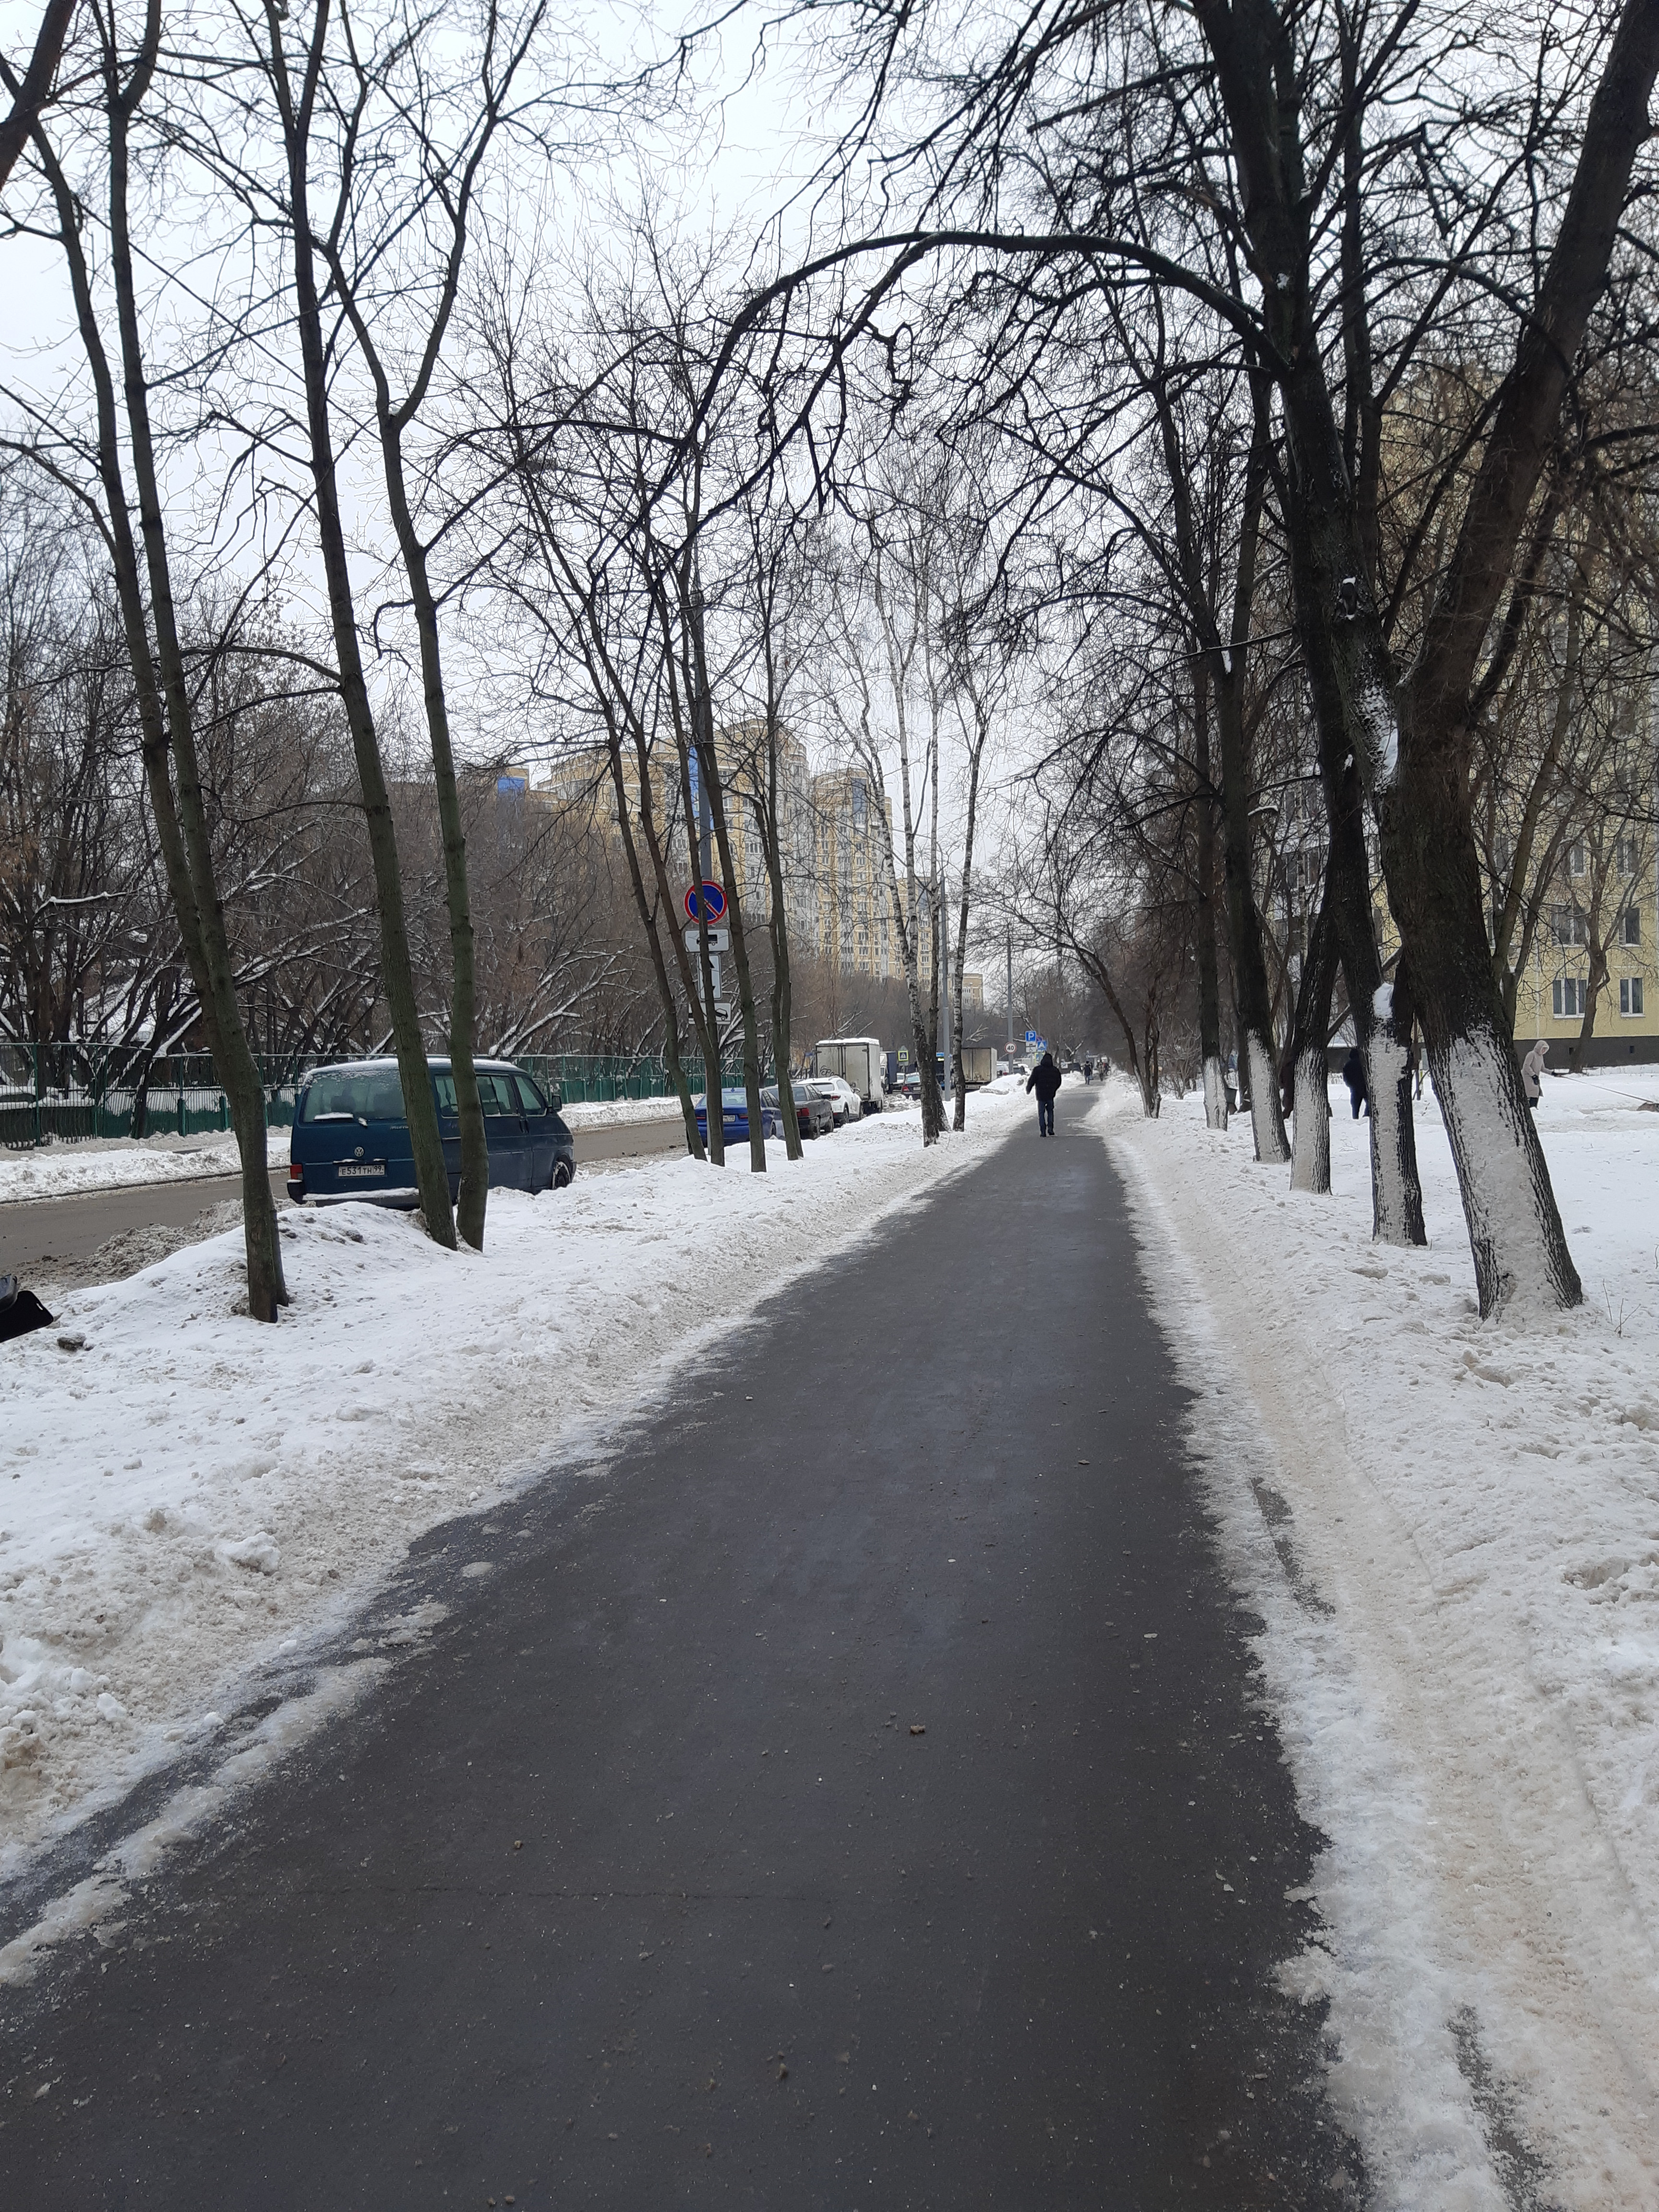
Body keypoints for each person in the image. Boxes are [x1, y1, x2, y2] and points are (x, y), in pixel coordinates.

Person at [1026, 1048, 1063, 1137]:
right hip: (1050, 1095)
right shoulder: (1055, 1070)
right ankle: (1050, 1129)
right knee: (1050, 1111)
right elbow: (1059, 1081)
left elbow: (1032, 1080)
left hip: (1041, 1095)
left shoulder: (1037, 1070)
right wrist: (1054, 1089)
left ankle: (1043, 1131)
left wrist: (1029, 1089)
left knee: (1041, 1113)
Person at [1520, 1037, 1549, 1110]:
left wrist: (1553, 1073)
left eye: (1545, 1049)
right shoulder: (1532, 1054)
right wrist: (1533, 1075)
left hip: (1535, 1078)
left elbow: (1543, 1069)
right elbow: (1526, 1066)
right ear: (1539, 1047)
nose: (1544, 1051)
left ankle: (1534, 1108)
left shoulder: (1541, 1057)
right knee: (1532, 1092)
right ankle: (1531, 1108)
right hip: (1528, 1077)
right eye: (1543, 1049)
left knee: (1536, 1092)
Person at [1341, 1047, 1369, 1120]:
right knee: (1369, 1103)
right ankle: (1367, 1117)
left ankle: (1355, 1119)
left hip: (1355, 1089)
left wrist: (1350, 1085)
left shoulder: (1348, 1065)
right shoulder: (1365, 1063)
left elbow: (1346, 1077)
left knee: (1355, 1107)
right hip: (1365, 1087)